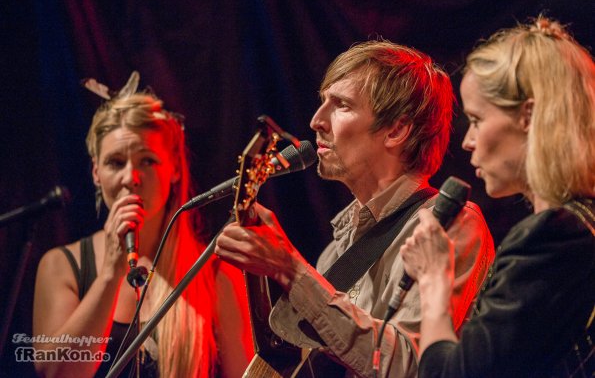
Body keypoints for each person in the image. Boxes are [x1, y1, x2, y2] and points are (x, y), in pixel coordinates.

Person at [215, 40, 495, 377]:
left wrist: (290, 270)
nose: (317, 120)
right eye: (323, 103)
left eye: (341, 105)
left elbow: (412, 366)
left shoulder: (451, 227)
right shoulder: (334, 253)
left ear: (397, 129)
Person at [401, 15, 595, 377]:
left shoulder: (553, 236)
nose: (467, 141)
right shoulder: (577, 226)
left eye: (476, 119)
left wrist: (433, 280)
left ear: (529, 116)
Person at [33, 72, 253, 378]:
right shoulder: (61, 266)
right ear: (96, 173)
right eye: (115, 162)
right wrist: (110, 274)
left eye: (147, 161)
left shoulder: (215, 273)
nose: (130, 178)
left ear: (174, 169)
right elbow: (57, 373)